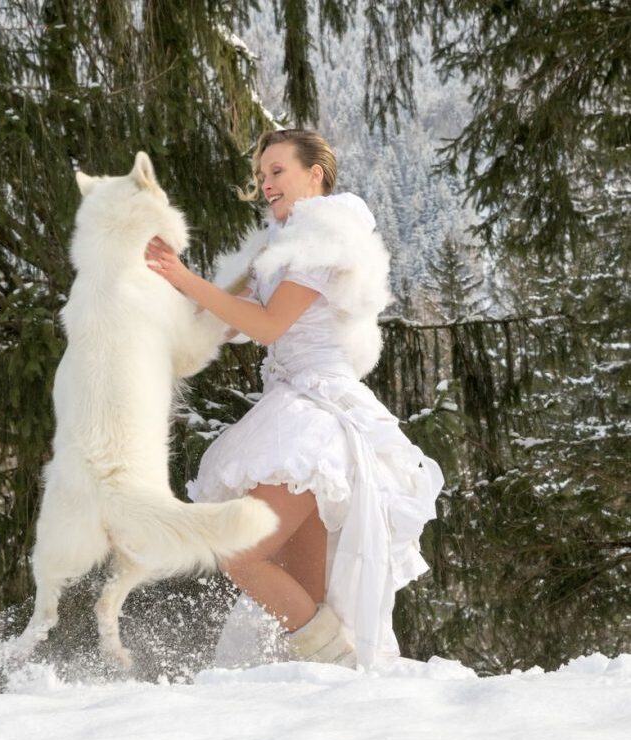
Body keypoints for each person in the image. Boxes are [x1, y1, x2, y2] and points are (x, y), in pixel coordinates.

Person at [145, 129, 443, 668]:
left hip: (319, 412)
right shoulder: (282, 249)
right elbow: (235, 320)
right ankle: (330, 687)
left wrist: (186, 278)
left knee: (240, 552)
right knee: (307, 590)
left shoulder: (325, 240)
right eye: (261, 176)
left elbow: (268, 324)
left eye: (277, 171)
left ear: (315, 174)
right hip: (290, 408)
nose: (266, 185)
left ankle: (343, 666)